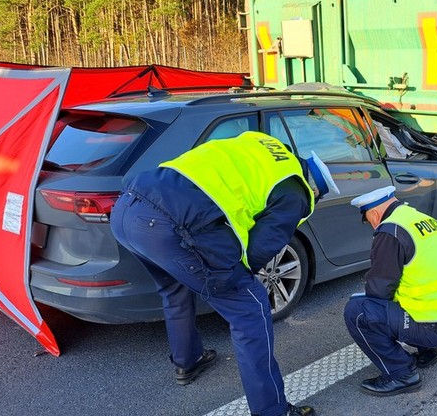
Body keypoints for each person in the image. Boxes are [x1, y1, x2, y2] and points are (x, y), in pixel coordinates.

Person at [110, 131, 338, 416]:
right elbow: (260, 248)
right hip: (171, 226)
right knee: (250, 309)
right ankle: (273, 411)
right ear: (314, 188)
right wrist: (238, 280)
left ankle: (188, 360)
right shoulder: (295, 191)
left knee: (174, 288)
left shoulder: (264, 144)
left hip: (127, 208)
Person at [344, 186, 437, 396]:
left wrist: (366, 296)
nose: (371, 225)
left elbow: (379, 290)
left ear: (373, 213)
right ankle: (432, 349)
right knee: (402, 293)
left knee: (358, 312)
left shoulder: (389, 231)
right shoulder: (421, 219)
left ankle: (401, 374)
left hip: (434, 327)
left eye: (368, 219)